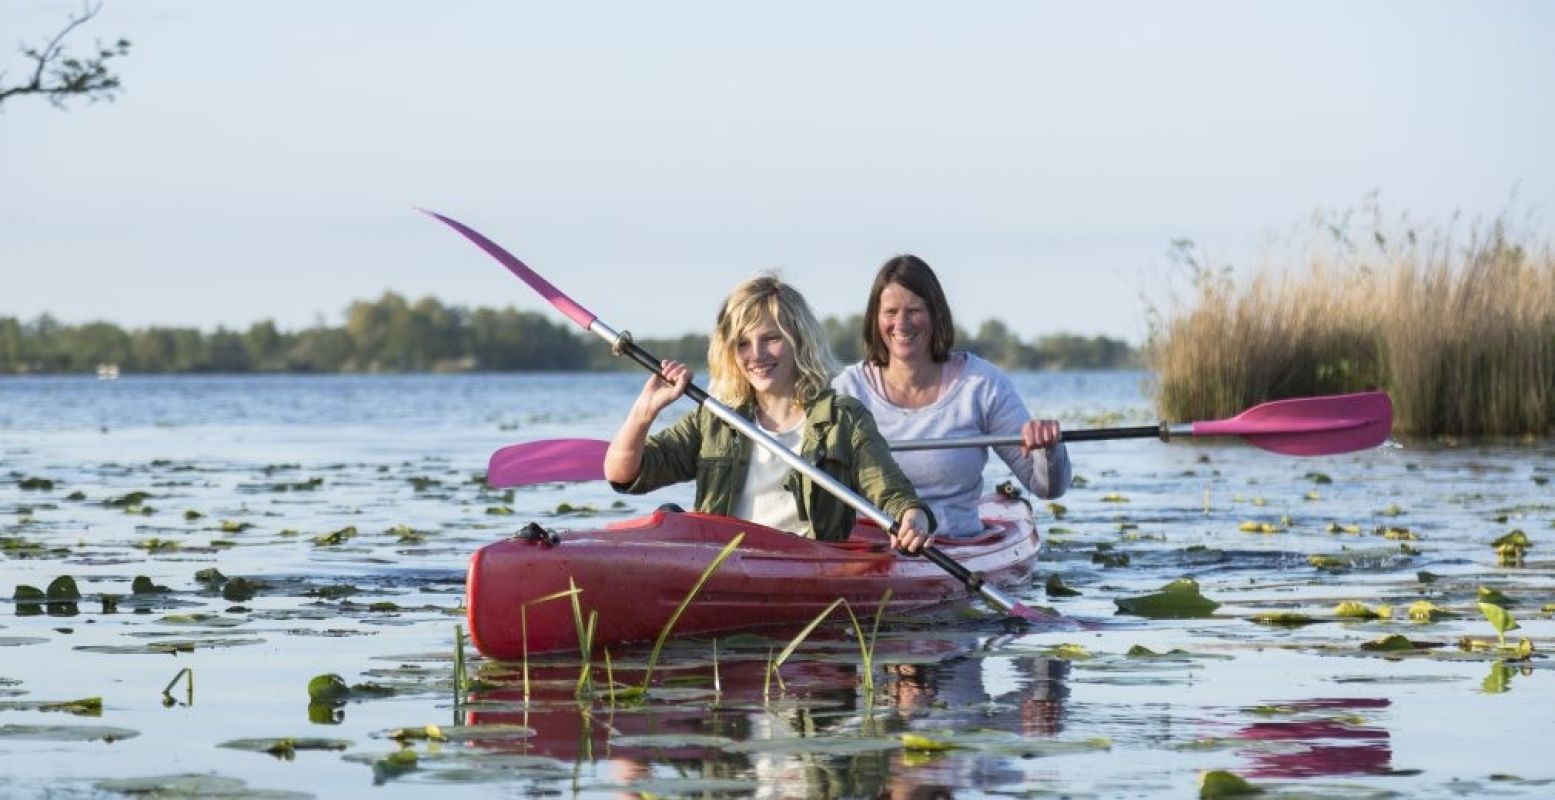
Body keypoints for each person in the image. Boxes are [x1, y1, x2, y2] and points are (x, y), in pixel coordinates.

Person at [604, 273, 937, 552]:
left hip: (803, 566)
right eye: (743, 343)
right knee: (669, 516)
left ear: (799, 341)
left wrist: (912, 518)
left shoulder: (842, 419)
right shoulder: (715, 419)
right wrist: (643, 413)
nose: (756, 355)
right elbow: (623, 474)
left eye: (771, 338)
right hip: (721, 565)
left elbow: (894, 495)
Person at [832, 254, 1071, 538]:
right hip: (871, 549)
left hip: (958, 547)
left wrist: (1047, 449)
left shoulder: (982, 385)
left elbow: (1046, 488)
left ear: (936, 314)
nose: (902, 323)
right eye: (891, 312)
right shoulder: (847, 390)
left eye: (914, 310)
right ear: (875, 318)